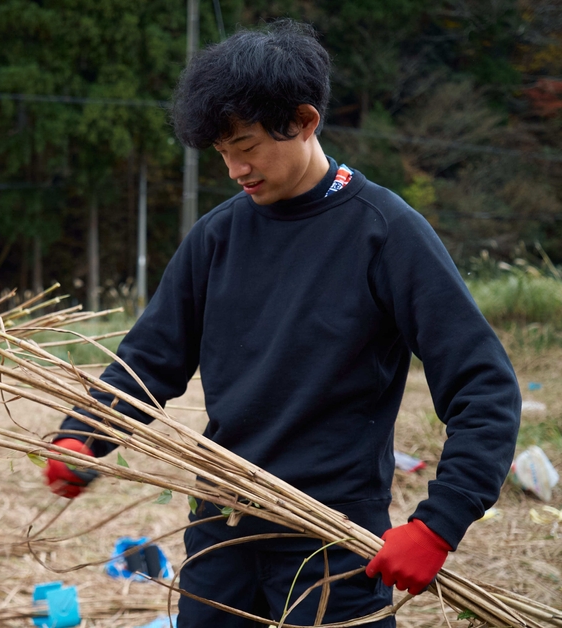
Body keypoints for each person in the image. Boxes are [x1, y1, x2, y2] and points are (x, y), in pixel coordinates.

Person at [43, 20, 521, 628]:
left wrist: (438, 524)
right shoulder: (218, 236)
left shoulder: (384, 232)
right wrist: (85, 434)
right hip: (223, 526)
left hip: (333, 540)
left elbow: (484, 387)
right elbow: (149, 358)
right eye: (222, 153)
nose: (235, 168)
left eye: (246, 146)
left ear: (303, 120)